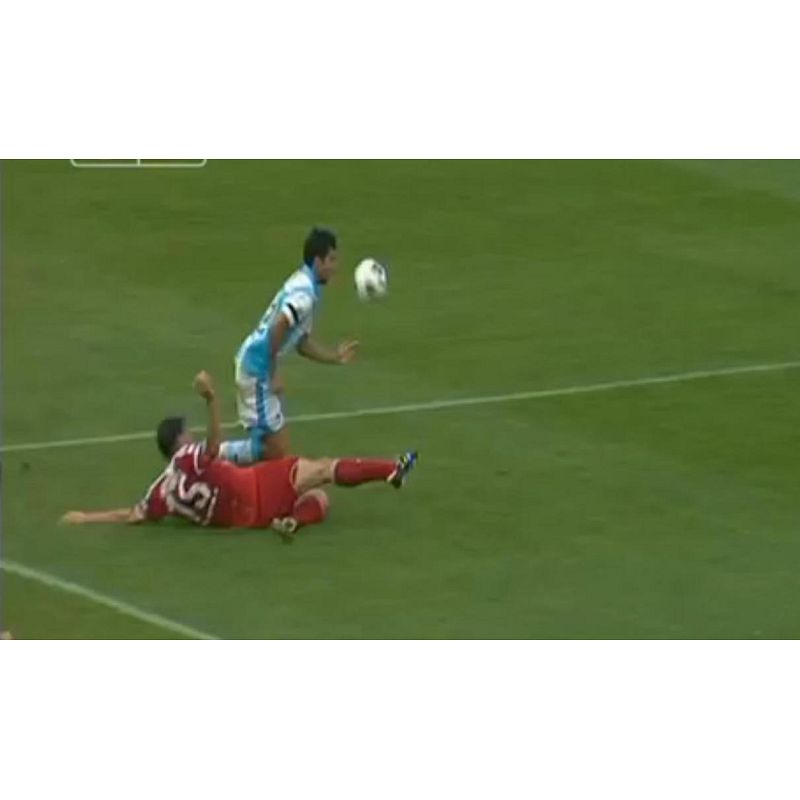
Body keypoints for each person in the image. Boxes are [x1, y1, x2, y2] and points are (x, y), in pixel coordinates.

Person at [60, 371, 417, 539]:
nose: (192, 435)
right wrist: (211, 399)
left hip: (247, 519)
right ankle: (390, 469)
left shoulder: (162, 491)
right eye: (187, 432)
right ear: (180, 440)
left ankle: (292, 521)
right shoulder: (189, 457)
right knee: (321, 469)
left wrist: (86, 517)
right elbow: (214, 447)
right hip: (257, 486)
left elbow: (132, 515)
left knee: (319, 499)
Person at [219, 226, 358, 465]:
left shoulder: (305, 283)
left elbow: (301, 343)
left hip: (255, 367)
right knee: (274, 451)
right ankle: (209, 457)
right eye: (332, 260)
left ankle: (215, 461)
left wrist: (334, 356)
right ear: (318, 261)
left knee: (273, 450)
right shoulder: (304, 294)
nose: (335, 267)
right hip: (257, 371)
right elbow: (279, 325)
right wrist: (273, 372)